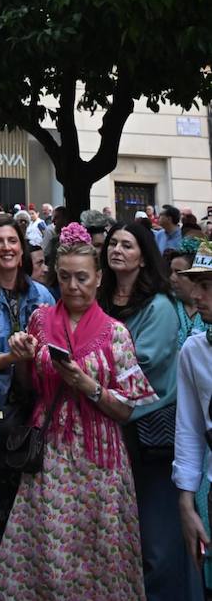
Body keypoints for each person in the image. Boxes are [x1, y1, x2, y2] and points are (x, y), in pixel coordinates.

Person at [0, 222, 158, 601]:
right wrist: (24, 360)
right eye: (65, 277)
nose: (73, 286)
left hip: (101, 461)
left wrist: (87, 385)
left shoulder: (116, 333)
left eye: (82, 277)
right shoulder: (41, 321)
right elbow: (28, 390)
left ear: (98, 279)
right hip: (51, 455)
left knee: (101, 555)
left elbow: (127, 410)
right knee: (47, 552)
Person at [99, 220, 201, 601]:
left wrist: (88, 373)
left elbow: (140, 369)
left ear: (144, 256)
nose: (117, 250)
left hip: (149, 437)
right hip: (108, 433)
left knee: (159, 543)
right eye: (113, 244)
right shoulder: (99, 301)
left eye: (127, 244)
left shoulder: (159, 307)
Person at [0, 213, 54, 585]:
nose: (7, 247)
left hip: (35, 414)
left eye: (13, 241)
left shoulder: (41, 295)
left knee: (30, 510)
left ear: (23, 249)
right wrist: (10, 357)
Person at [173, 240, 212, 586]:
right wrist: (186, 503)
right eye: (195, 284)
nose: (196, 295)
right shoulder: (193, 349)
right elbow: (189, 428)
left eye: (206, 286)